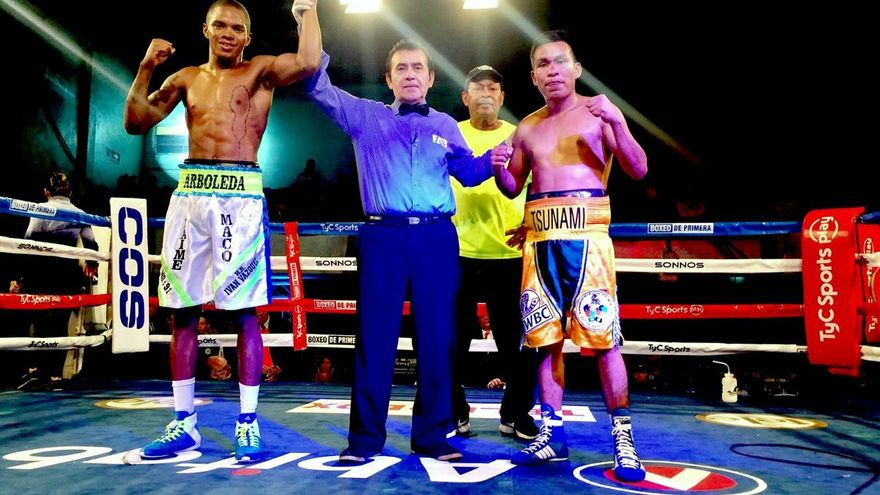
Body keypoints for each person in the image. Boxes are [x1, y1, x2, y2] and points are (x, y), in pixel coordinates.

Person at [123, 0, 321, 462]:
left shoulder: (261, 72)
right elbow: (135, 122)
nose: (228, 33)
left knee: (247, 313)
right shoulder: (186, 77)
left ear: (247, 36)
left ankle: (248, 422)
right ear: (206, 30)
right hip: (190, 195)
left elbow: (309, 61)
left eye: (237, 28)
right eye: (220, 26)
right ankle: (183, 423)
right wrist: (146, 66)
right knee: (182, 312)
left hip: (241, 196)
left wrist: (308, 10)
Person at [305, 39, 497, 463]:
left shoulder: (446, 125)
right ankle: (363, 441)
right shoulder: (365, 114)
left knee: (438, 338)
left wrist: (496, 159)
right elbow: (318, 86)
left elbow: (468, 173)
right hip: (383, 236)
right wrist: (308, 23)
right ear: (389, 79)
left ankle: (432, 436)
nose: (410, 74)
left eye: (418, 67)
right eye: (401, 68)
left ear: (430, 77)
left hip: (436, 238)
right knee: (374, 338)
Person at [490, 31, 648, 482]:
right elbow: (512, 186)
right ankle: (551, 434)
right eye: (543, 64)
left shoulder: (599, 112)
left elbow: (638, 168)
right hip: (540, 244)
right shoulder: (527, 126)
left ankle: (623, 440)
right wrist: (500, 167)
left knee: (604, 343)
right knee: (545, 342)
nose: (552, 70)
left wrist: (618, 123)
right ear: (534, 77)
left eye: (560, 61)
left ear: (576, 69)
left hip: (589, 243)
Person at [450, 65, 539, 440]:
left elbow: (539, 186)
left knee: (517, 342)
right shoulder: (449, 132)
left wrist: (533, 222)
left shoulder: (521, 135)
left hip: (509, 254)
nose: (485, 92)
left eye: (493, 87)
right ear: (465, 97)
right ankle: (453, 412)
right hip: (456, 253)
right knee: (451, 340)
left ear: (502, 97)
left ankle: (516, 414)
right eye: (477, 87)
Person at [20, 171, 99, 389]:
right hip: (66, 273)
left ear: (46, 192)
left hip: (41, 272)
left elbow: (28, 240)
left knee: (39, 322)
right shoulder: (79, 213)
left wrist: (21, 276)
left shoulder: (40, 209)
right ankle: (53, 374)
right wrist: (92, 263)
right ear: (70, 193)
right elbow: (92, 243)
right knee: (60, 323)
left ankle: (38, 371)